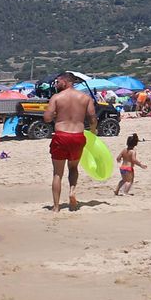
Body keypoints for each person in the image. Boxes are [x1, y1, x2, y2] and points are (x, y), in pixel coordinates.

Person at [43, 72, 98, 212]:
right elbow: (92, 118)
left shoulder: (56, 97)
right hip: (78, 136)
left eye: (58, 81)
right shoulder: (85, 98)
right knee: (73, 168)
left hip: (61, 136)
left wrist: (56, 116)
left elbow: (47, 118)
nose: (56, 84)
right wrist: (92, 132)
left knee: (57, 173)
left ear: (66, 82)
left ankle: (56, 207)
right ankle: (72, 191)